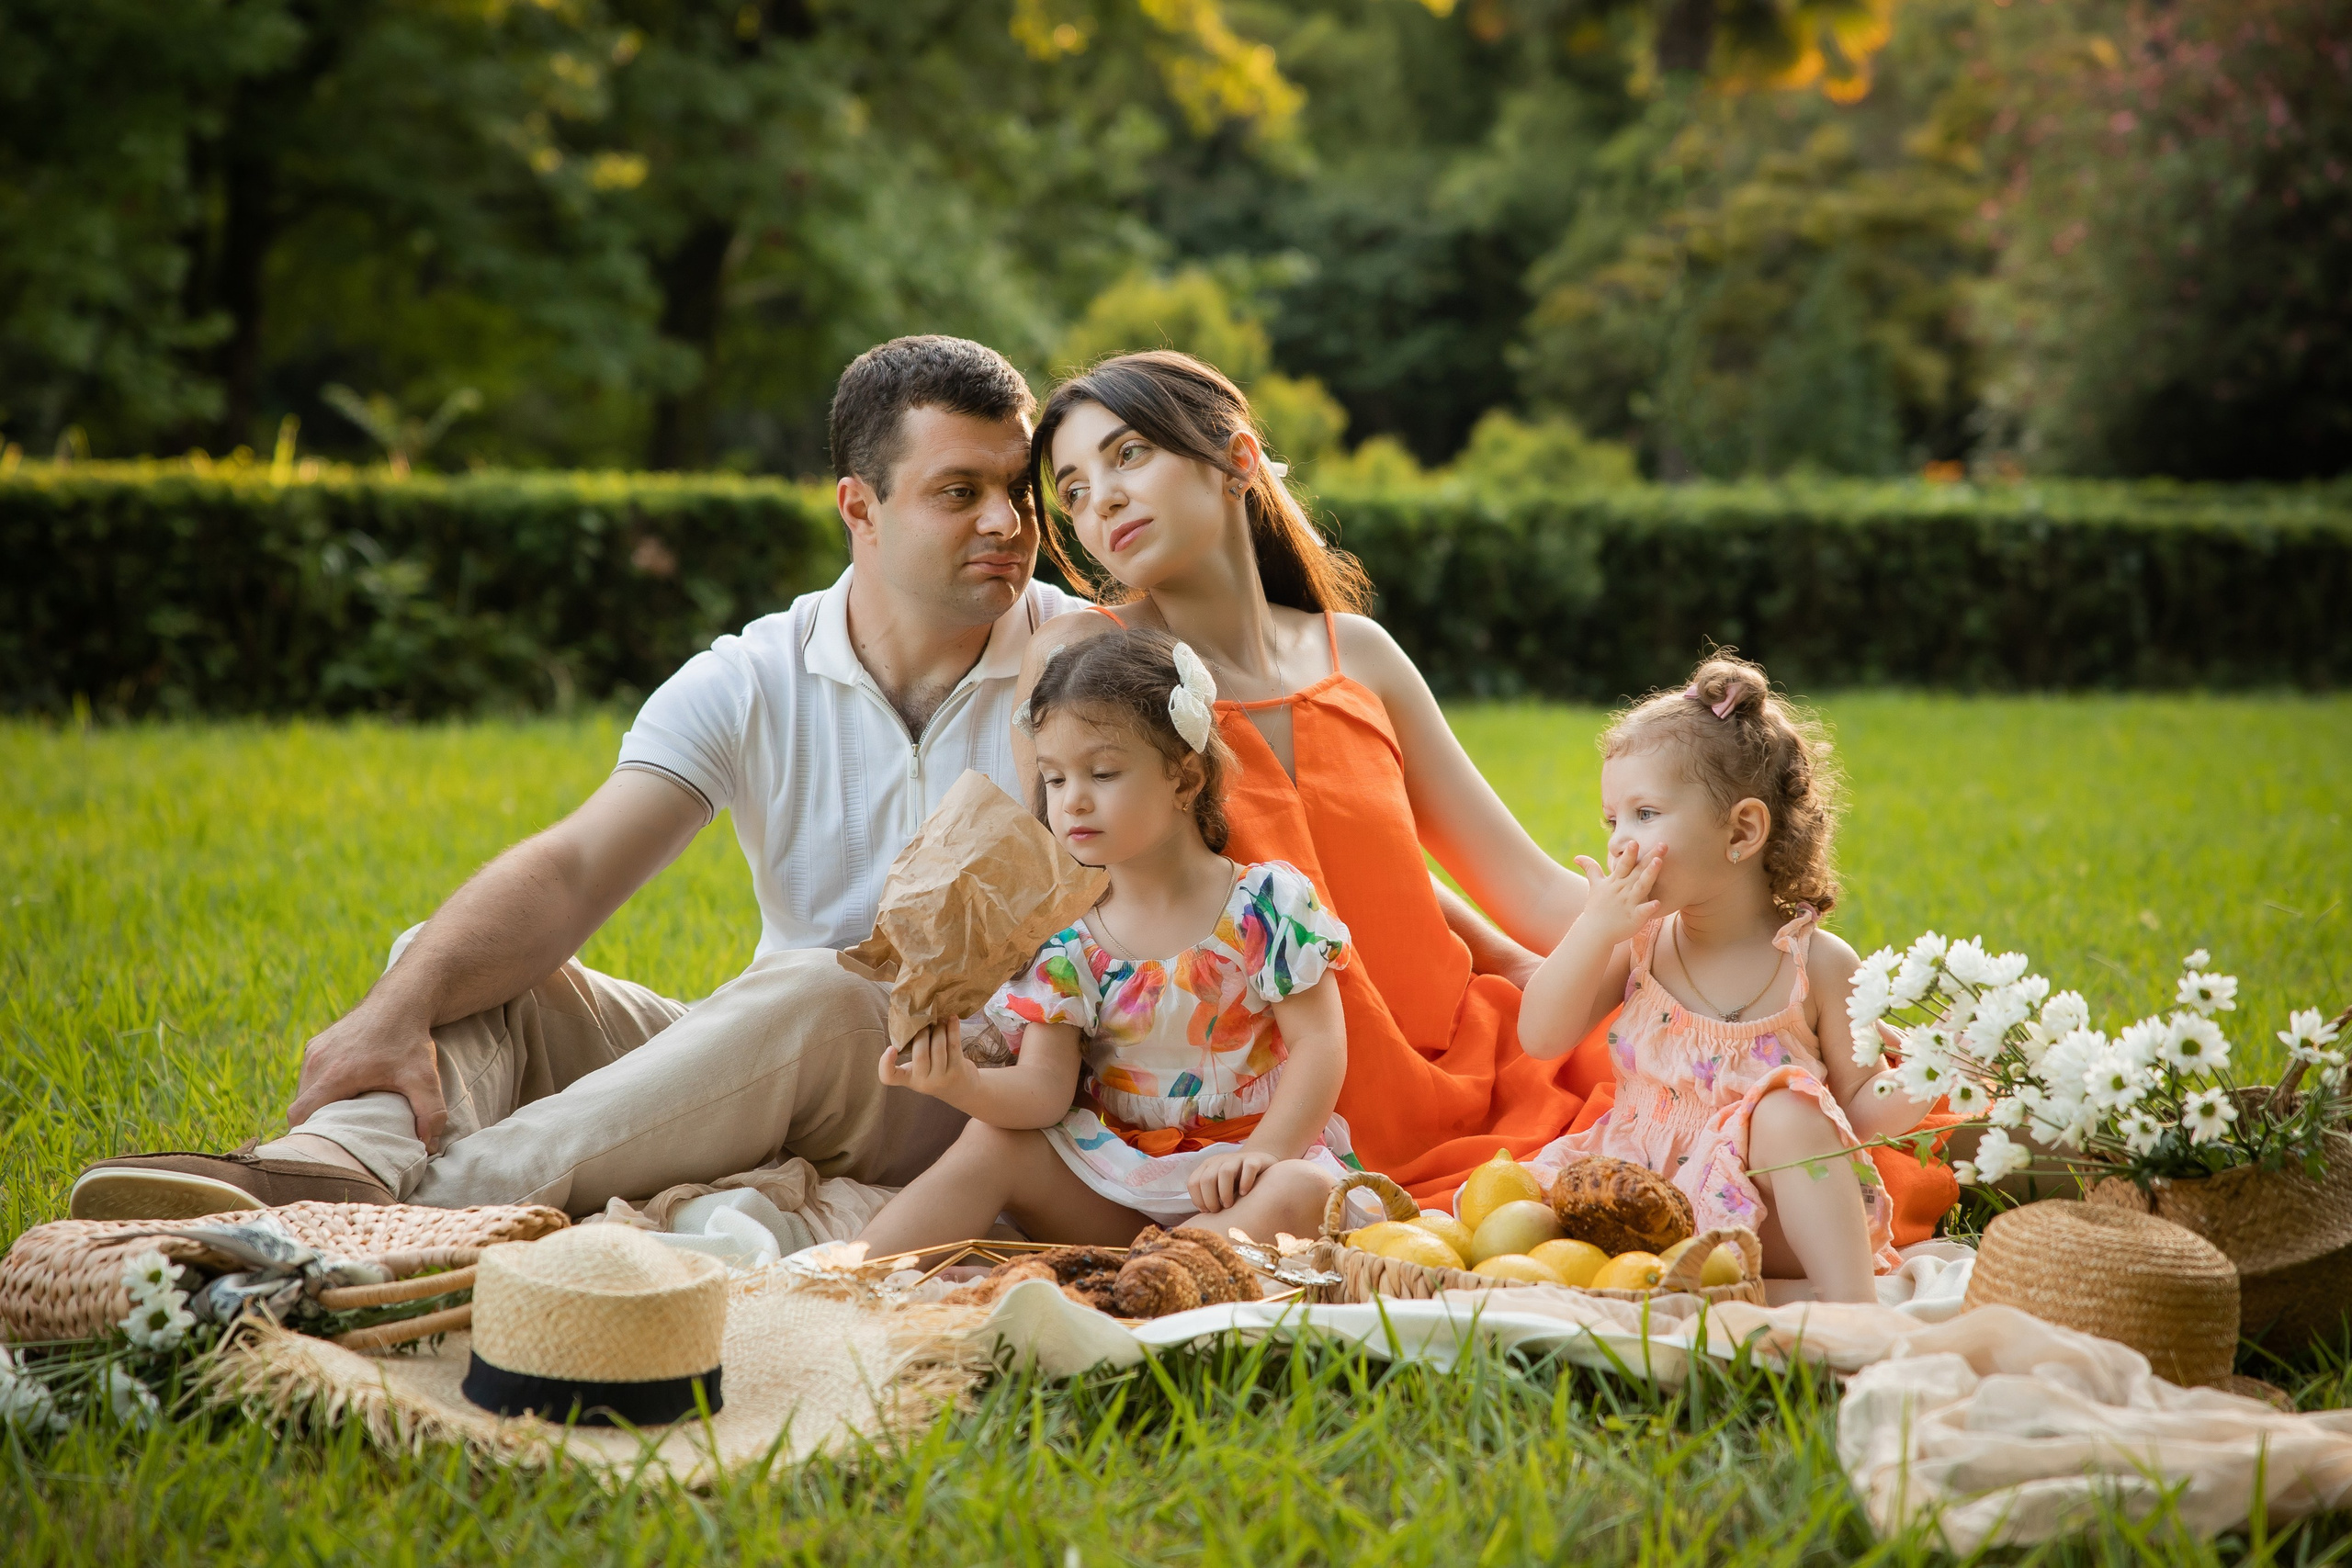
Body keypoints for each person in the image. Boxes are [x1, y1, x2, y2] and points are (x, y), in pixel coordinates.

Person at [69, 335, 1090, 1222]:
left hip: (969, 1084)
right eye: (961, 492)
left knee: (818, 990)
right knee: (457, 963)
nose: (1007, 522)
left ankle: (441, 1198)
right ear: (858, 508)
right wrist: (398, 1003)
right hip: (769, 1058)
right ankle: (324, 1171)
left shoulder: (1082, 664)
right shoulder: (754, 674)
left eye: (1018, 489)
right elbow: (574, 871)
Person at [1019, 351, 1600, 1208]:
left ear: (1238, 461)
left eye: (1129, 453)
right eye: (1072, 489)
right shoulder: (1088, 665)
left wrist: (1700, 914)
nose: (1098, 498)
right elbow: (1059, 903)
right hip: (1269, 1122)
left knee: (1722, 1078)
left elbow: (1528, 890)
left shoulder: (1359, 654)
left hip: (1471, 1064)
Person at [855, 626, 1352, 1255]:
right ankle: (846, 1275)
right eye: (1055, 780)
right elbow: (1044, 1089)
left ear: (1184, 779)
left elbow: (1320, 1043)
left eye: (1103, 772)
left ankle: (1140, 1286)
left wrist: (1264, 1153)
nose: (1073, 802)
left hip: (1245, 1185)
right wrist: (960, 1082)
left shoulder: (1266, 908)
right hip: (1114, 1189)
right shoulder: (1066, 937)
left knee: (1303, 1192)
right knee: (994, 1139)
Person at [1515, 655, 1939, 1302]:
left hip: (1769, 1226)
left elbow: (1857, 1111)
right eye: (1613, 820)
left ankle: (1851, 1310)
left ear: (1742, 829)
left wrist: (1932, 1070)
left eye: (1646, 814)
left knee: (1787, 1111)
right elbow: (1540, 1034)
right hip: (1639, 1208)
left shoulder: (1819, 966)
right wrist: (1592, 931)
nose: (1620, 843)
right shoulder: (1639, 943)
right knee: (1517, 1223)